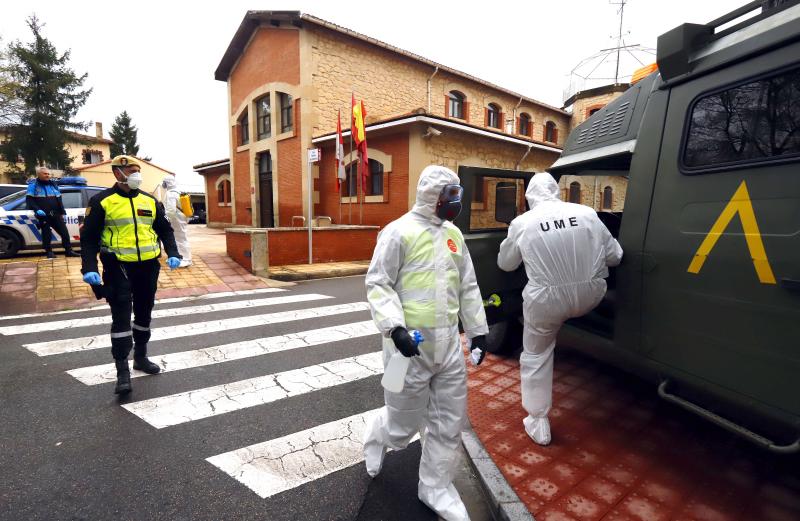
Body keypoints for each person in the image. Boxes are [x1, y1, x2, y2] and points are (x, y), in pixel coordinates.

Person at [363, 165, 488, 521]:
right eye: (452, 194)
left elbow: (467, 284)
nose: (457, 201)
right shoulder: (398, 232)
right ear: (433, 195)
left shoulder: (454, 235)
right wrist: (394, 328)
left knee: (449, 422)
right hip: (406, 349)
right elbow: (378, 283)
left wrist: (477, 330)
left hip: (448, 348)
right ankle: (378, 432)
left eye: (457, 194)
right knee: (402, 427)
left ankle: (435, 487)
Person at [497, 172, 622, 445]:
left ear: (530, 197)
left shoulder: (523, 222)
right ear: (556, 191)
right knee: (564, 312)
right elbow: (615, 257)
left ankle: (538, 422)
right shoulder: (588, 214)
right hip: (592, 296)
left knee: (536, 354)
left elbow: (505, 264)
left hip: (547, 303)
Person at [79, 155, 182, 395]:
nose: (137, 174)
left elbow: (165, 230)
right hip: (118, 267)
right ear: (118, 173)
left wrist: (173, 253)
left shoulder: (149, 200)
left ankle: (141, 357)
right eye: (132, 171)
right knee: (121, 318)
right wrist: (90, 268)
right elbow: (89, 239)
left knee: (144, 313)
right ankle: (122, 371)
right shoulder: (102, 201)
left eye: (138, 170)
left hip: (148, 266)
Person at [26, 166, 80, 259]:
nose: (47, 175)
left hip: (56, 213)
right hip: (43, 214)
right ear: (39, 174)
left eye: (48, 174)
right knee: (46, 234)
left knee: (64, 232)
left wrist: (62, 212)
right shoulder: (33, 185)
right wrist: (37, 209)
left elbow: (59, 198)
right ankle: (49, 252)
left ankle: (68, 251)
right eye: (45, 174)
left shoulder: (53, 184)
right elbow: (29, 200)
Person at [160, 174, 192, 267]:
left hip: (176, 219)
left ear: (167, 183)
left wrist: (166, 220)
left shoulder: (170, 193)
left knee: (181, 239)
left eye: (164, 182)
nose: (163, 184)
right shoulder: (178, 191)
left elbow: (170, 210)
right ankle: (178, 258)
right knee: (177, 239)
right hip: (180, 218)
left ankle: (186, 259)